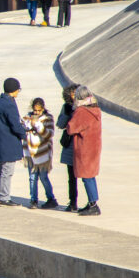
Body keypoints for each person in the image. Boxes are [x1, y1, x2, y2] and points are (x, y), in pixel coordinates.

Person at [66, 85, 103, 216]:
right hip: (94, 147)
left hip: (84, 148)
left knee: (86, 177)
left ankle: (93, 205)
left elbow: (71, 128)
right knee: (91, 177)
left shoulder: (81, 112)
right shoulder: (95, 110)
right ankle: (92, 202)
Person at [0, 77, 26, 206]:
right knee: (7, 171)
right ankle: (4, 197)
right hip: (9, 142)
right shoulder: (9, 104)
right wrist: (24, 134)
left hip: (1, 141)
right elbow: (15, 125)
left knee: (0, 170)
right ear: (13, 90)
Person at [23, 97, 58, 209]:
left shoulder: (48, 118)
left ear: (43, 109)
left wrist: (37, 125)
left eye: (39, 110)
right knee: (32, 177)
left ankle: (51, 198)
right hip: (30, 153)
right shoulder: (27, 118)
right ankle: (33, 200)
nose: (37, 113)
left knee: (43, 177)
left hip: (42, 153)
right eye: (35, 110)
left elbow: (49, 134)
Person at [56, 84, 80, 212]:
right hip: (70, 145)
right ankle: (73, 202)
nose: (74, 95)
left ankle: (91, 202)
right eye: (72, 93)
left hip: (81, 145)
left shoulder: (84, 107)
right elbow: (60, 124)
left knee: (86, 177)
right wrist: (66, 113)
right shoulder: (66, 107)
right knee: (72, 178)